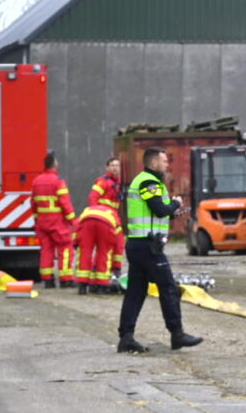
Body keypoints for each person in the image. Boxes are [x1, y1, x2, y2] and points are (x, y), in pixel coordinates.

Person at [118, 148, 201, 354]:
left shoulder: (148, 182)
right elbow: (160, 209)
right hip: (148, 247)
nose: (167, 165)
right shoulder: (148, 182)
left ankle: (126, 337)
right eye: (164, 161)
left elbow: (157, 213)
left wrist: (171, 210)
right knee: (169, 287)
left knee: (135, 293)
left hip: (139, 245)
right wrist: (175, 203)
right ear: (154, 163)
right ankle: (177, 333)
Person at [73, 163, 122, 296]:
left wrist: (75, 242)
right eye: (112, 165)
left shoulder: (116, 185)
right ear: (106, 167)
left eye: (118, 166)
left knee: (85, 252)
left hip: (88, 218)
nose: (115, 168)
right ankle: (101, 285)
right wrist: (117, 266)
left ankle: (82, 286)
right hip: (107, 220)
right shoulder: (103, 181)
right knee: (104, 252)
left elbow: (77, 231)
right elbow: (118, 246)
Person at [29, 152, 75, 289]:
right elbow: (65, 203)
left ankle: (48, 280)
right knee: (65, 248)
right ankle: (65, 279)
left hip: (42, 223)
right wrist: (73, 221)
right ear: (54, 164)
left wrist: (37, 220)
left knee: (46, 251)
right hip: (57, 222)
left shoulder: (36, 181)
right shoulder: (58, 181)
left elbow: (33, 203)